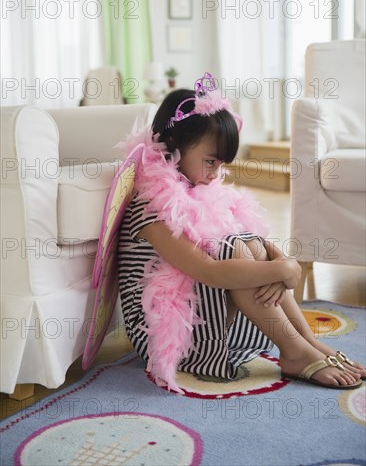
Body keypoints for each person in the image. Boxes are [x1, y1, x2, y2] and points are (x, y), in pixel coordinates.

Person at [117, 72, 365, 393]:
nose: (216, 173)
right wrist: (285, 268)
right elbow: (209, 271)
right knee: (233, 252)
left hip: (210, 318)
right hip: (168, 334)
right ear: (175, 145)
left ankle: (305, 343)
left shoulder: (197, 188)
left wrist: (277, 257)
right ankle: (295, 353)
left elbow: (249, 241)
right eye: (210, 161)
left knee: (248, 246)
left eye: (221, 164)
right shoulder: (151, 205)